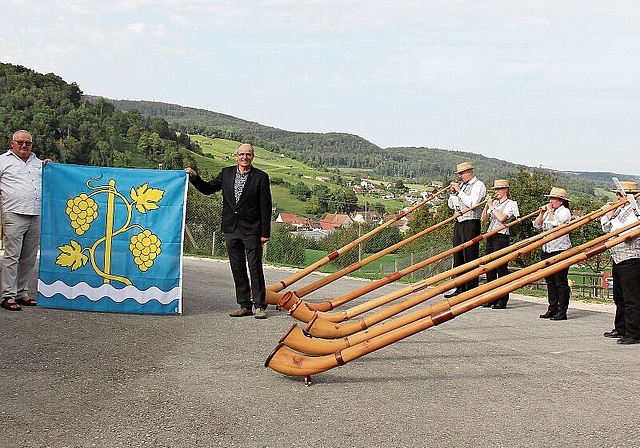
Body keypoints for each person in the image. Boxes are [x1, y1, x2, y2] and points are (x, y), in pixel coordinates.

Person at [185, 143, 272, 319]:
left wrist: (265, 232)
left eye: (248, 154)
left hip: (252, 230)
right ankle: (244, 305)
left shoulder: (261, 177)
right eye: (241, 154)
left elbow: (265, 206)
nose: (244, 157)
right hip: (231, 228)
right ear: (236, 156)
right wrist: (194, 177)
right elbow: (208, 189)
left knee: (255, 267)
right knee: (237, 267)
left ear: (252, 157)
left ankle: (260, 306)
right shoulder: (226, 173)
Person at [0, 130, 50, 311]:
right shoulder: (3, 161)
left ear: (32, 144)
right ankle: (8, 295)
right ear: (12, 143)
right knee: (12, 255)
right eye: (20, 142)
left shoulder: (39, 164)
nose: (24, 145)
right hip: (13, 213)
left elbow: (51, 182)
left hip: (36, 214)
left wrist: (52, 169)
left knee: (29, 257)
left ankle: (22, 292)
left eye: (27, 143)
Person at [599, 180, 640, 344]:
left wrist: (611, 218)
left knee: (632, 298)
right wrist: (609, 215)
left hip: (631, 257)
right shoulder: (619, 211)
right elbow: (605, 229)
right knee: (619, 296)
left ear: (628, 196)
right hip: (618, 256)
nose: (617, 197)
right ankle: (621, 327)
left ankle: (634, 333)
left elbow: (628, 232)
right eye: (617, 194)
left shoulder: (635, 212)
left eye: (620, 194)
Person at [445, 162, 486, 298]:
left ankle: (470, 289)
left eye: (462, 174)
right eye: (459, 174)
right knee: (458, 256)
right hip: (459, 221)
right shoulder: (462, 186)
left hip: (471, 222)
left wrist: (460, 192)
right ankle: (460, 287)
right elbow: (452, 206)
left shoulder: (478, 185)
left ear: (469, 172)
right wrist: (452, 194)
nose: (460, 176)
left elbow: (472, 204)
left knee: (470, 255)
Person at [533, 187, 572, 320]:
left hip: (560, 249)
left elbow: (555, 224)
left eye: (554, 199)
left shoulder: (565, 212)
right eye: (550, 198)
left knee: (560, 281)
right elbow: (537, 225)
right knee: (550, 281)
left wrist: (550, 212)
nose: (551, 201)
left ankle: (562, 311)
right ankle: (552, 308)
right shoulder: (549, 211)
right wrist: (541, 213)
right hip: (547, 249)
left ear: (561, 201)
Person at [480, 179, 520, 309]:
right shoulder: (495, 202)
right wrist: (487, 205)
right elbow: (483, 218)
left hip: (501, 236)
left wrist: (492, 207)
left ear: (505, 190)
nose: (496, 192)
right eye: (495, 190)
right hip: (491, 235)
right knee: (489, 267)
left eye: (498, 190)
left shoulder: (511, 204)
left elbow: (503, 218)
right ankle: (491, 297)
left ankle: (502, 299)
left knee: (500, 267)